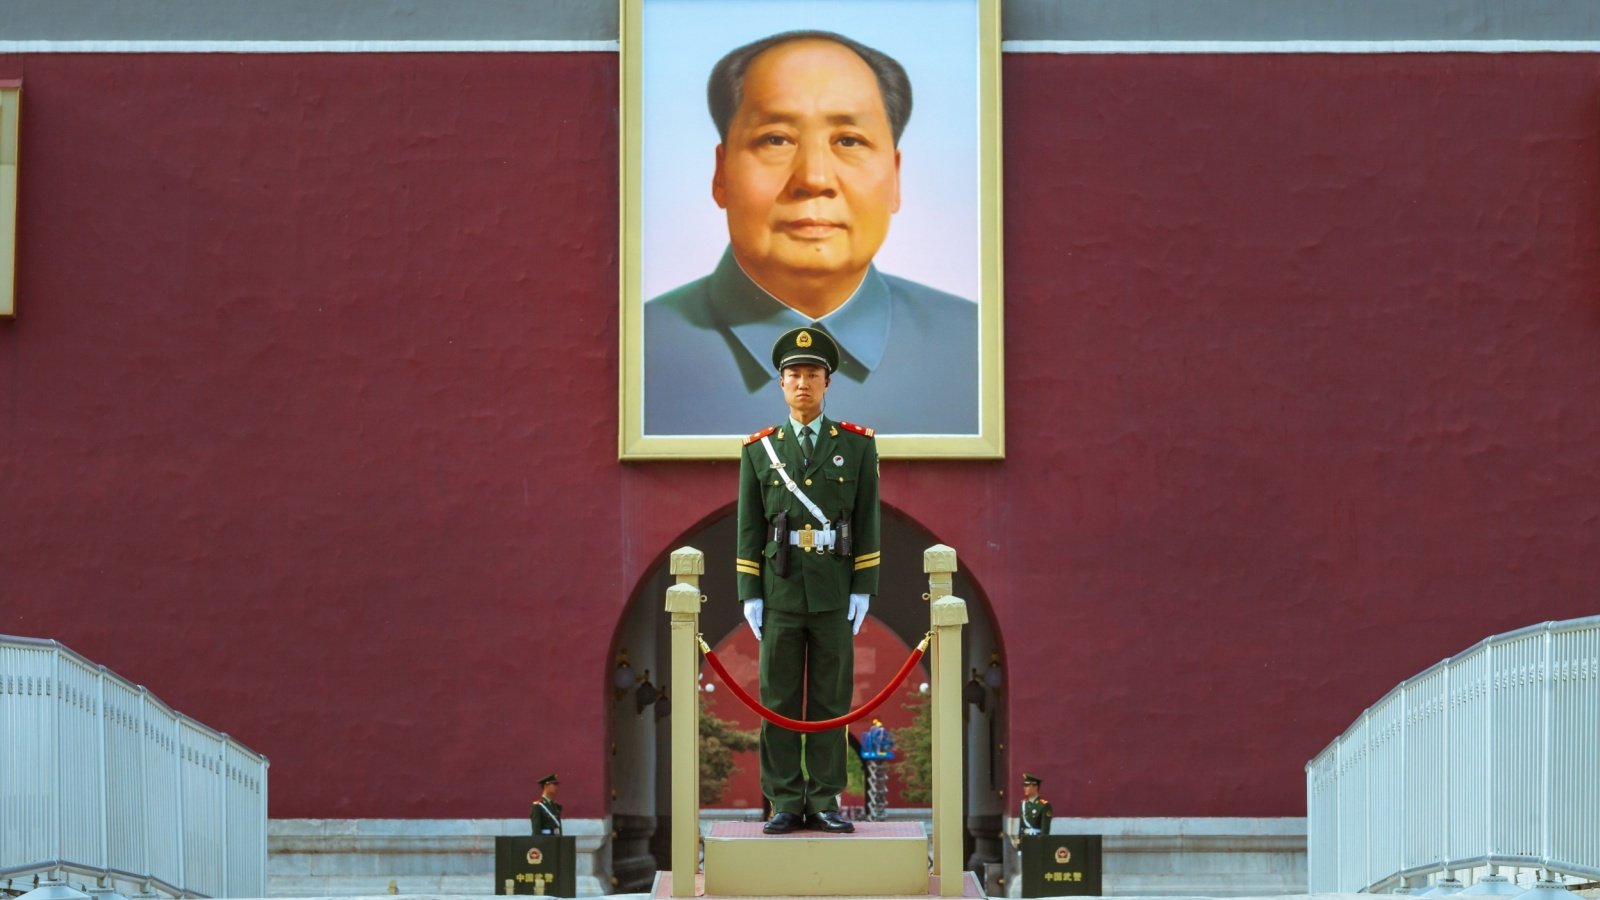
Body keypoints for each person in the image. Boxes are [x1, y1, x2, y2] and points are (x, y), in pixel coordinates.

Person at [644, 30, 978, 437]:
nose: (814, 178)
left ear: (895, 178)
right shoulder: (640, 349)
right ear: (720, 174)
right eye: (776, 139)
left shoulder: (977, 348)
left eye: (849, 140)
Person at [737, 326, 880, 834]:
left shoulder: (858, 447)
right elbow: (749, 526)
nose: (803, 383)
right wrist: (749, 594)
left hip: (833, 592)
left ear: (828, 383)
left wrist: (864, 585)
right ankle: (781, 801)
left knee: (829, 700)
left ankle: (823, 800)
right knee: (776, 700)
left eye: (812, 374)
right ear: (780, 384)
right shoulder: (759, 451)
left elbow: (866, 519)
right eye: (793, 374)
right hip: (778, 592)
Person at [1018, 772, 1052, 839]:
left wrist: (1041, 846)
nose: (1024, 788)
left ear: (1035, 787)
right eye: (1024, 785)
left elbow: (1045, 831)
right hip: (1025, 841)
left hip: (1036, 841)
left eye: (1027, 786)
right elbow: (1021, 828)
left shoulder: (1044, 805)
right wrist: (1020, 847)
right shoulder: (1023, 804)